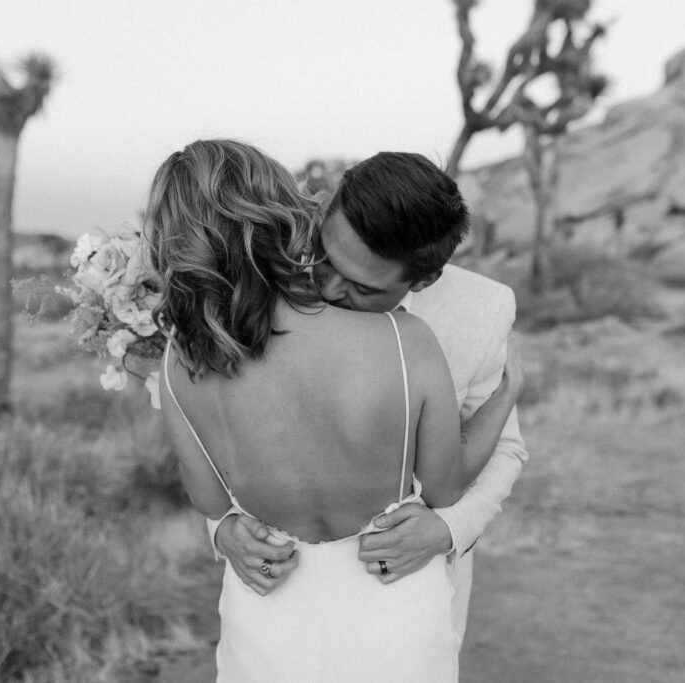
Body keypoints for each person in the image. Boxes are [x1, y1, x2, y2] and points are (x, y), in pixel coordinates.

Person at [144, 140, 520, 681]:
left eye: (364, 286)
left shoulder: (482, 310)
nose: (330, 286)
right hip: (325, 596)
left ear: (422, 278)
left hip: (357, 587)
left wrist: (448, 530)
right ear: (318, 211)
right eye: (327, 258)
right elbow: (446, 480)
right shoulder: (406, 339)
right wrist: (226, 532)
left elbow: (208, 489)